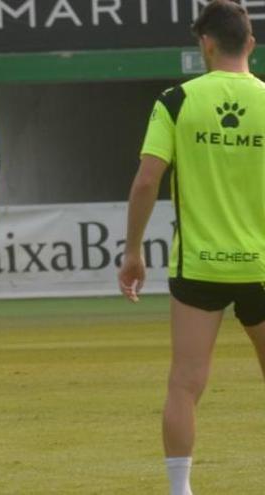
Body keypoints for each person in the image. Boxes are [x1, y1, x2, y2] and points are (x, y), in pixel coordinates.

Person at [118, 2, 265, 494]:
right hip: (262, 266)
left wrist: (133, 250)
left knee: (185, 384)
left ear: (204, 43)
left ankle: (181, 491)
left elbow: (146, 182)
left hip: (199, 266)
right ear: (251, 43)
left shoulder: (176, 101)